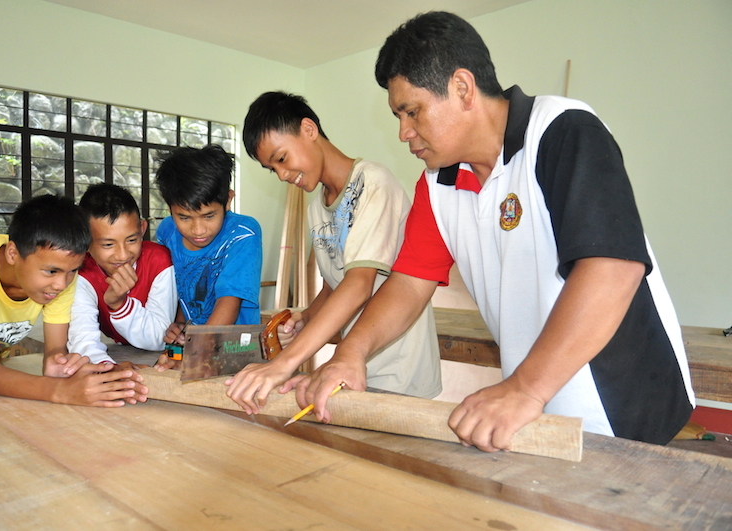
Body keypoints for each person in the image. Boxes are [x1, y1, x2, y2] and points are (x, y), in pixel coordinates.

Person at [296, 11, 694, 450]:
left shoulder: (562, 130)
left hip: (625, 401)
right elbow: (408, 284)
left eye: (412, 112)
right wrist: (350, 354)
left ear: (462, 88)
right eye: (398, 116)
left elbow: (613, 269)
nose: (404, 132)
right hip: (537, 400)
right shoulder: (438, 183)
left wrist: (524, 388)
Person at [225, 91, 441, 414]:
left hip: (398, 370)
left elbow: (358, 284)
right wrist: (306, 318)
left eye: (281, 159)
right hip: (350, 365)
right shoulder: (317, 208)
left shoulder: (373, 184)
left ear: (309, 130)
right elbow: (334, 286)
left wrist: (285, 363)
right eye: (273, 169)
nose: (282, 175)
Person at [0, 194, 148, 406]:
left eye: (73, 271)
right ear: (12, 254)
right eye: (51, 271)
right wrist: (62, 391)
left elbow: (54, 350)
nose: (61, 285)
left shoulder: (63, 270)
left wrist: (63, 364)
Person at [153, 145, 262, 369]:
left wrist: (196, 353)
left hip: (237, 352)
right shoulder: (167, 232)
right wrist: (178, 331)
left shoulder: (242, 234)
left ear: (228, 200)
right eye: (184, 217)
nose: (198, 229)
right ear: (170, 208)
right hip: (191, 346)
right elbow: (179, 291)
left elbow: (229, 302)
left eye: (209, 216)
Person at [68, 183, 177, 364]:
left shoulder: (158, 261)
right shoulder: (80, 272)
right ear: (85, 240)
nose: (123, 255)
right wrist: (109, 369)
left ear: (142, 228)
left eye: (132, 240)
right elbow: (83, 343)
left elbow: (160, 337)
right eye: (108, 244)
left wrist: (119, 304)